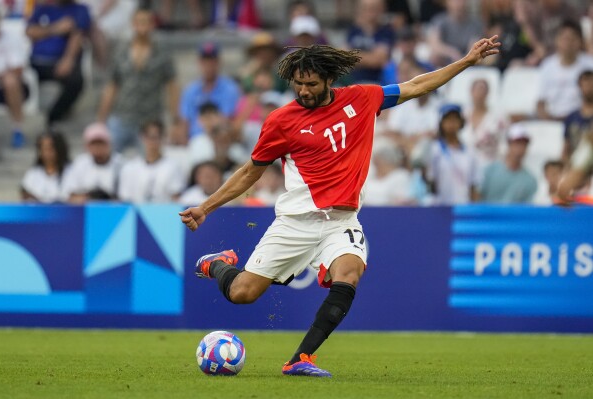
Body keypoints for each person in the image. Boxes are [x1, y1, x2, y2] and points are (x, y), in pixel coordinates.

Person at [179, 36, 501, 377]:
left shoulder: (363, 99)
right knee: (242, 293)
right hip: (295, 222)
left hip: (342, 220)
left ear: (329, 80)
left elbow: (417, 85)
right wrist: (206, 207)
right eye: (298, 84)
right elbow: (249, 173)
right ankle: (217, 265)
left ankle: (301, 358)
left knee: (349, 273)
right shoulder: (280, 121)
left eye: (311, 84)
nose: (303, 91)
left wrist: (466, 61)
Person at [97, 8, 179, 152]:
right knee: (110, 160)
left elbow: (172, 86)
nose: (143, 27)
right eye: (140, 22)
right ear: (133, 24)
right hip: (122, 116)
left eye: (147, 22)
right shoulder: (121, 51)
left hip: (150, 120)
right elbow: (112, 86)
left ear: (152, 25)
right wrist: (101, 119)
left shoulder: (162, 52)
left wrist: (175, 118)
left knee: (150, 163)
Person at [26, 0, 91, 125]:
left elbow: (78, 35)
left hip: (59, 62)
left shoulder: (80, 10)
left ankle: (53, 117)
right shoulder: (42, 8)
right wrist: (55, 28)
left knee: (76, 81)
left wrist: (68, 59)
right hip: (36, 62)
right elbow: (30, 31)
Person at [118, 120, 184, 203]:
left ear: (163, 138)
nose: (153, 142)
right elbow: (125, 200)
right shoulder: (129, 168)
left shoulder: (173, 167)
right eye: (150, 137)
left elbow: (176, 199)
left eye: (157, 137)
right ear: (142, 137)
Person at [427, 103, 480, 205]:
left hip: (462, 207)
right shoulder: (434, 150)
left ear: (461, 122)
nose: (451, 123)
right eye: (448, 119)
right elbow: (430, 183)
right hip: (439, 207)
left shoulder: (470, 152)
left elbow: (474, 185)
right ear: (441, 123)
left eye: (455, 119)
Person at [0, 6, 29, 148]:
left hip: (9, 87)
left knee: (10, 81)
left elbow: (17, 69)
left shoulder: (11, 38)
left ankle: (17, 129)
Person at [61, 122, 123, 203]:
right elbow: (69, 195)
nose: (97, 147)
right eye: (94, 143)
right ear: (87, 146)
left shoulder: (121, 164)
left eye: (101, 143)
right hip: (85, 210)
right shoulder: (79, 164)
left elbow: (125, 198)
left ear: (108, 144)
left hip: (114, 211)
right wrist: (90, 198)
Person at [479, 123, 538, 204]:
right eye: (517, 143)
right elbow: (478, 198)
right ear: (509, 144)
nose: (520, 148)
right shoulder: (489, 171)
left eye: (524, 144)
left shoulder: (530, 180)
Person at [21, 130, 70, 203]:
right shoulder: (32, 174)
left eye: (50, 148)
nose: (47, 152)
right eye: (43, 148)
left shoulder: (72, 171)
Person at [563, 70, 593, 164]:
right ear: (580, 86)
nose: (589, 87)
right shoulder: (571, 117)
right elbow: (566, 149)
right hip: (576, 165)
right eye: (586, 83)